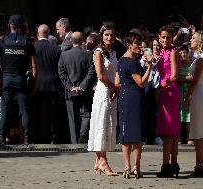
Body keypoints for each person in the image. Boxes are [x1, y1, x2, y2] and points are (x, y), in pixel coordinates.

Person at [116, 32, 153, 179]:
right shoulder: (131, 62)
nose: (140, 46)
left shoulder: (121, 60)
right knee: (136, 135)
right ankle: (136, 168)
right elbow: (141, 82)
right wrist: (149, 67)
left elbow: (117, 82)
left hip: (124, 97)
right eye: (137, 44)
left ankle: (127, 167)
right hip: (134, 97)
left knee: (126, 134)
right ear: (129, 45)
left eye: (141, 43)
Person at [0, 15, 37, 145]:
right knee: (24, 110)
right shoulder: (27, 42)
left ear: (9, 25)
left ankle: (2, 137)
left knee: (5, 109)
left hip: (7, 78)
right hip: (21, 78)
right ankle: (26, 139)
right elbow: (34, 65)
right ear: (21, 26)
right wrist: (34, 82)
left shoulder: (3, 41)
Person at [87, 24, 118, 176]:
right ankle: (103, 161)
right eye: (106, 35)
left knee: (108, 125)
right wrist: (113, 87)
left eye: (111, 35)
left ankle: (99, 160)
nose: (109, 37)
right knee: (101, 124)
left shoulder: (113, 52)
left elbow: (116, 72)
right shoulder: (98, 52)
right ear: (101, 36)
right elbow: (100, 75)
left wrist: (116, 88)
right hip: (103, 91)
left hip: (112, 91)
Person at [58, 32, 95, 144]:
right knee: (86, 115)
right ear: (83, 40)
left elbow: (61, 73)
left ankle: (75, 142)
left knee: (72, 118)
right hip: (85, 91)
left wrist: (70, 87)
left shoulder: (64, 55)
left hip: (71, 92)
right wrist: (82, 87)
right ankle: (82, 137)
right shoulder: (89, 55)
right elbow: (91, 73)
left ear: (71, 41)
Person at [184, 31, 203, 176]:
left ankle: (200, 164)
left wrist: (186, 96)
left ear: (200, 41)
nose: (190, 40)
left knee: (198, 132)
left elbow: (194, 80)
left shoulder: (202, 58)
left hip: (199, 94)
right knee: (202, 132)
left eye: (193, 38)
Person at [34, 24, 67, 143]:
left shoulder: (34, 47)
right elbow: (60, 68)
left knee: (37, 112)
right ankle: (53, 137)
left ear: (38, 34)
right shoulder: (56, 48)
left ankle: (37, 137)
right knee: (53, 113)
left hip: (37, 84)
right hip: (53, 84)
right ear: (48, 34)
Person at [156, 26, 181, 178]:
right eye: (163, 37)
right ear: (159, 38)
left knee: (168, 132)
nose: (165, 40)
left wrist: (160, 87)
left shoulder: (173, 51)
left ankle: (167, 166)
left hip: (170, 92)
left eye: (168, 37)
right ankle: (173, 165)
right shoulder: (161, 52)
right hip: (165, 92)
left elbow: (175, 75)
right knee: (171, 132)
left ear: (172, 38)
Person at [177, 44, 192, 145]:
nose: (183, 55)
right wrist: (187, 78)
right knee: (179, 116)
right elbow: (177, 78)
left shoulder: (192, 65)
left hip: (189, 93)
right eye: (181, 53)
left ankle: (189, 138)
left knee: (189, 117)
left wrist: (183, 78)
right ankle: (178, 138)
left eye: (184, 53)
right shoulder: (178, 65)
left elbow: (194, 78)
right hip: (179, 93)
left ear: (188, 53)